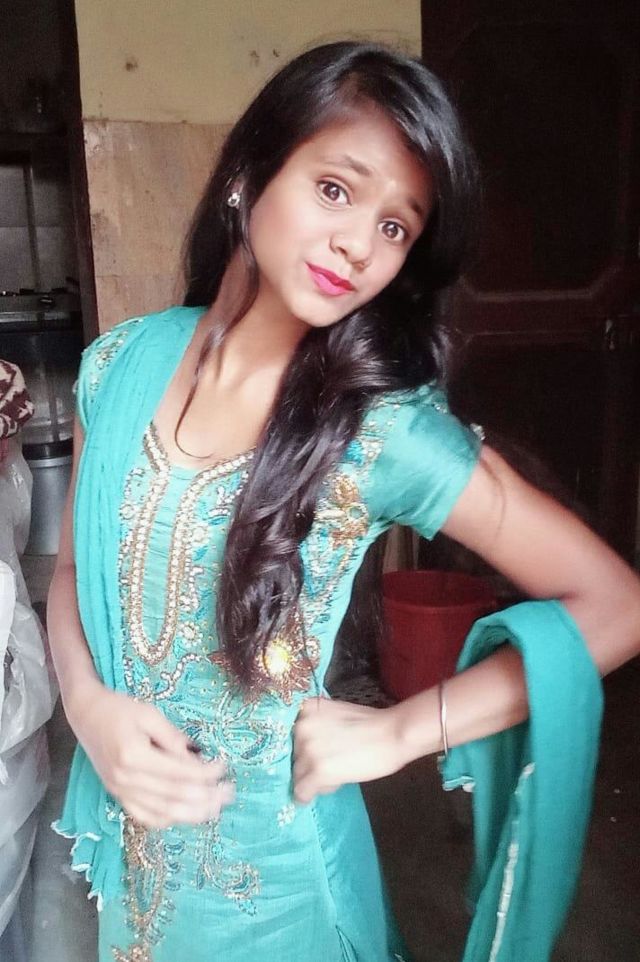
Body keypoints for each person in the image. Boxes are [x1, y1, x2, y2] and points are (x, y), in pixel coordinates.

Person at [46, 41, 640, 962]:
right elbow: (70, 577)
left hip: (281, 894)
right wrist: (87, 707)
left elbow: (616, 604)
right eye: (335, 189)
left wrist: (401, 730)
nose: (360, 245)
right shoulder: (117, 366)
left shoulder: (380, 432)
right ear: (249, 174)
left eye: (396, 227)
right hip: (134, 869)